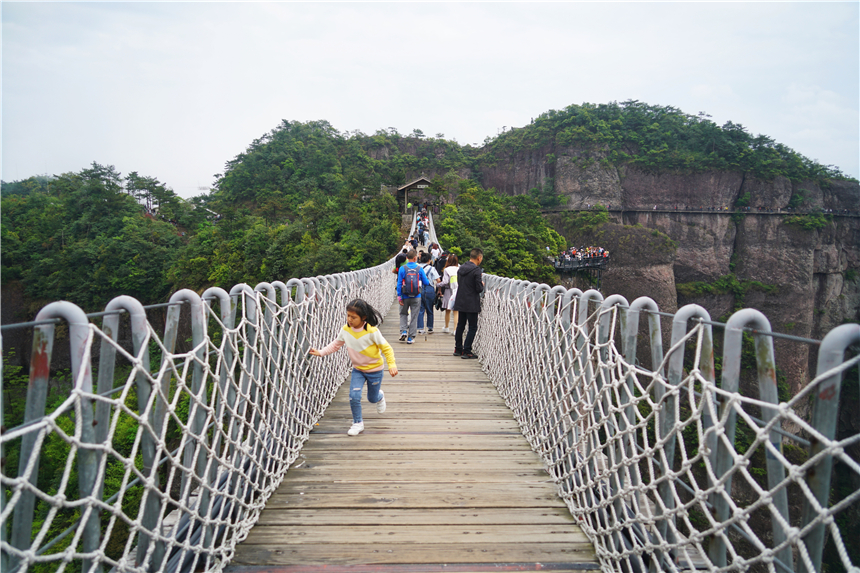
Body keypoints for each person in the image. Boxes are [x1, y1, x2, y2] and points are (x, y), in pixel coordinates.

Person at [309, 299, 398, 436]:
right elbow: (336, 345)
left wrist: (391, 365)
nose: (349, 319)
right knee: (354, 396)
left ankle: (379, 396)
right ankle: (358, 423)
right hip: (358, 370)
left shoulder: (372, 331)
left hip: (375, 371)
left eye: (353, 317)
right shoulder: (346, 330)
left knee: (372, 398)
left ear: (364, 318)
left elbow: (387, 349)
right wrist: (321, 352)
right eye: (348, 316)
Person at [452, 248, 484, 359]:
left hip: (461, 300)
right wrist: (482, 284)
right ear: (479, 258)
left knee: (460, 325)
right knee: (472, 327)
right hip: (471, 303)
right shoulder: (476, 270)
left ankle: (458, 349)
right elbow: (479, 288)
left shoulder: (461, 268)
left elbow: (460, 283)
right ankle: (467, 350)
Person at [397, 249, 431, 344]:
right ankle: (410, 338)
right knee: (414, 316)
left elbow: (399, 284)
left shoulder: (402, 268)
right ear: (416, 258)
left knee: (403, 313)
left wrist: (399, 297)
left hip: (404, 296)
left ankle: (403, 331)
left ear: (407, 258)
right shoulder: (419, 269)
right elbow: (426, 282)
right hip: (417, 296)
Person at [417, 251, 440, 334]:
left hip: (418, 289)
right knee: (430, 309)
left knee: (420, 309)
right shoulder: (432, 268)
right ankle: (430, 327)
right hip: (429, 289)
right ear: (429, 260)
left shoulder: (417, 267)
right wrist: (439, 290)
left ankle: (420, 328)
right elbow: (438, 280)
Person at [439, 254, 460, 333]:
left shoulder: (447, 270)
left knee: (448, 310)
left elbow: (445, 282)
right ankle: (455, 330)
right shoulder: (460, 269)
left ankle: (446, 327)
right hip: (458, 291)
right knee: (456, 311)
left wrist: (438, 285)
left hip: (448, 291)